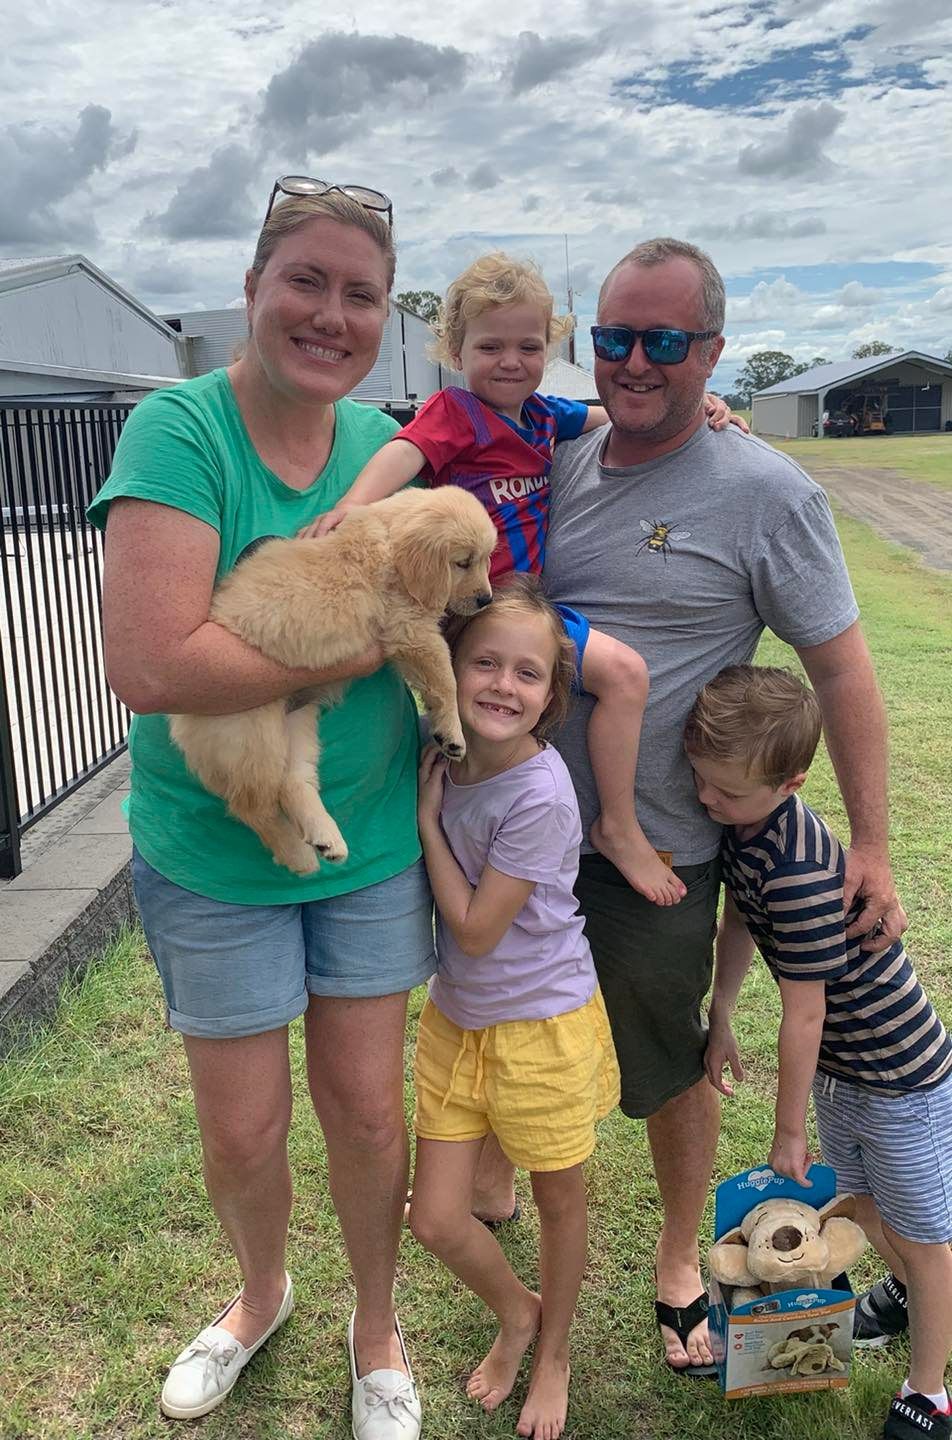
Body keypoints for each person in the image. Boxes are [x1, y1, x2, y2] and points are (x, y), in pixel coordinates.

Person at [469, 236, 907, 1378]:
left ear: (711, 350)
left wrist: (869, 841)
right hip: (509, 822)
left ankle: (675, 1260)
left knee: (667, 1057)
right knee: (491, 1007)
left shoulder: (765, 490)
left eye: (665, 341)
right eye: (613, 337)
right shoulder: (554, 453)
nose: (634, 362)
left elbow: (843, 669)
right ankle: (498, 1170)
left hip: (654, 845)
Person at [88, 180, 428, 1439]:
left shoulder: (385, 448)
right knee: (242, 1133)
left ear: (385, 320)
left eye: (359, 295)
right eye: (307, 281)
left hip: (369, 845)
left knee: (371, 1109)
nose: (329, 314)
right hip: (216, 850)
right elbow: (154, 662)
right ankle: (261, 1295)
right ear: (252, 289)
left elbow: (526, 442)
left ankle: (377, 1327)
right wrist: (351, 650)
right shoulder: (181, 434)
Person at [309, 253, 744, 905]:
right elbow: (406, 450)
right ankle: (617, 827)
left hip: (521, 606)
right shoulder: (455, 412)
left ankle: (540, 840)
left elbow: (614, 416)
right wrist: (355, 506)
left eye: (528, 345)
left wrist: (702, 403)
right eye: (490, 346)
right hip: (481, 604)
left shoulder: (544, 417)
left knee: (549, 718)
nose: (510, 361)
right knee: (620, 677)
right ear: (456, 350)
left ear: (550, 346)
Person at [691, 664, 952, 1440]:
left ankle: (931, 1390)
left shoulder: (801, 871)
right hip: (847, 1072)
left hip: (897, 1077)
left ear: (789, 781)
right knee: (870, 1207)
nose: (706, 800)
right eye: (700, 781)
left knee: (926, 1237)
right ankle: (904, 1295)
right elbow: (738, 918)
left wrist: (787, 1133)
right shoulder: (745, 831)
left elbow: (805, 1014)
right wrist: (724, 1007)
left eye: (724, 791)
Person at [407, 575, 619, 1440]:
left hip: (543, 1026)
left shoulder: (541, 794)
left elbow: (475, 926)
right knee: (433, 1218)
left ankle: (556, 1354)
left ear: (552, 694)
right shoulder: (444, 752)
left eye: (528, 674)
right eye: (483, 663)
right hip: (458, 1021)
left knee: (560, 1201)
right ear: (446, 670)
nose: (503, 685)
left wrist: (427, 824)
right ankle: (517, 1310)